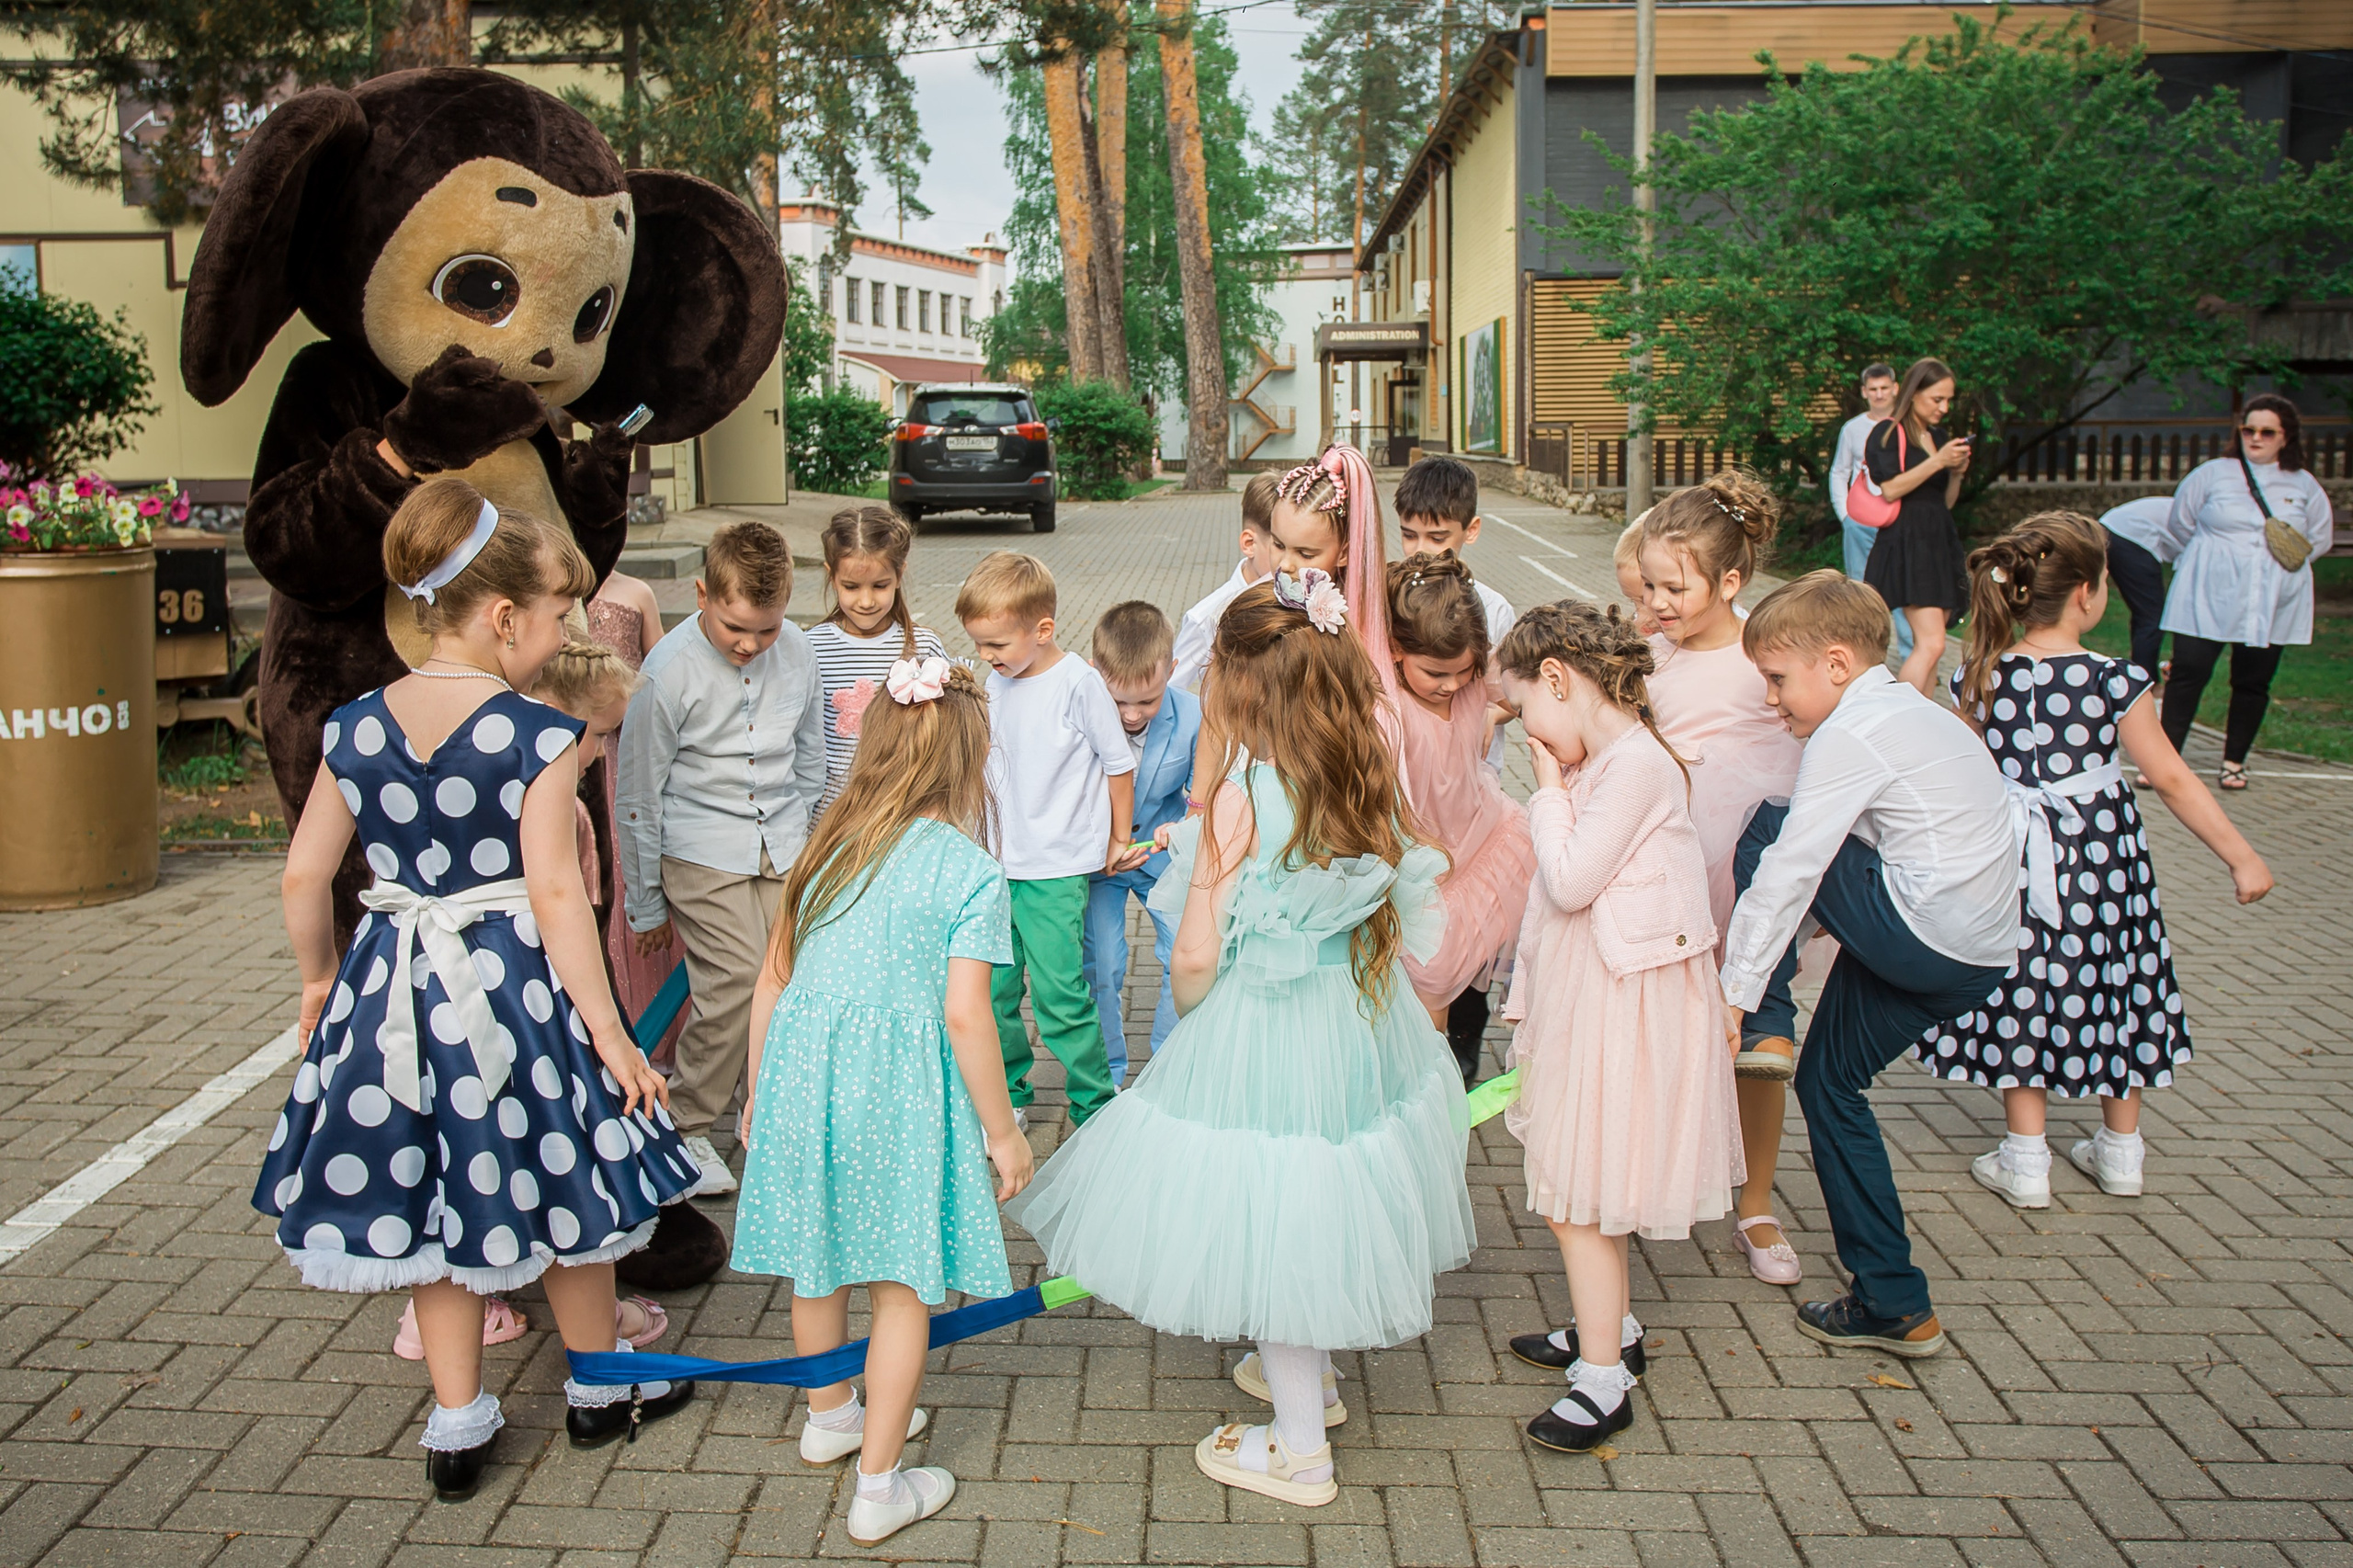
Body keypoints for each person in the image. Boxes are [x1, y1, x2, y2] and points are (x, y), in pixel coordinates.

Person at [255, 477, 700, 1504]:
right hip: (508, 989)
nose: (567, 630)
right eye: (557, 613)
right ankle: (600, 1384)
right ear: (503, 615)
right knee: (563, 1180)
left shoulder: (356, 725)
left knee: (427, 1200)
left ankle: (457, 1418)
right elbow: (553, 890)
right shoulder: (535, 734)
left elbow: (303, 872)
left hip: (392, 986)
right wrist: (611, 1033)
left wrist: (321, 976)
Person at [1006, 574, 1472, 1508]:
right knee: (1319, 1192)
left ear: (1240, 688)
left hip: (1261, 1028)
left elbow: (1191, 957)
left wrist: (1194, 989)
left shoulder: (1242, 792)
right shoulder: (1359, 770)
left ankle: (1299, 1450)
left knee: (1274, 1217)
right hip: (1353, 1019)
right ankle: (1315, 1379)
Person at [731, 656, 1033, 1549]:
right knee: (901, 1287)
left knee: (817, 1257)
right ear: (968, 763)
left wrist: (758, 1094)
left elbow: (771, 978)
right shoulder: (971, 870)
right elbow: (965, 1013)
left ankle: (830, 1413)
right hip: (897, 1093)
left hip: (805, 1077)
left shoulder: (829, 836)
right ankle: (878, 1482)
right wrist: (1003, 1130)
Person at [1929, 513, 2272, 1205]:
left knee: (2021, 980)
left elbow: (1958, 771)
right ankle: (2122, 1153)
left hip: (2014, 851)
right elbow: (2172, 777)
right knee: (2119, 974)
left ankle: (2026, 1160)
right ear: (2087, 592)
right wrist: (2242, 858)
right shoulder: (2116, 680)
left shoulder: (1981, 671)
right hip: (2103, 857)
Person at [1723, 572, 2018, 1358]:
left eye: (1779, 680)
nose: (1772, 699)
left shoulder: (1850, 733)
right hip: (1977, 954)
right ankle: (1894, 1302)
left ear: (1837, 663)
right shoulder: (1920, 717)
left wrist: (1733, 996)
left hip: (1920, 936)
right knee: (1830, 1087)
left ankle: (1763, 1023)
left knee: (1768, 832)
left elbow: (1792, 867)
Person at [1495, 599, 1743, 1452]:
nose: (1527, 729)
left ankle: (1604, 1382)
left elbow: (1567, 880)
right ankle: (1613, 1329)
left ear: (1558, 681)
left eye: (1526, 706)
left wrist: (1548, 793)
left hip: (1623, 1004)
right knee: (1586, 1179)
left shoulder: (1631, 767)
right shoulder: (1615, 761)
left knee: (1581, 1195)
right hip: (1596, 994)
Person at [1631, 471, 1812, 1286]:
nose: (1659, 599)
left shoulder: (1763, 659)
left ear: (1731, 582)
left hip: (1739, 875)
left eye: (1675, 585)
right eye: (1651, 582)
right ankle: (1658, 1176)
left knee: (1751, 1043)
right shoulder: (1651, 653)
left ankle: (1758, 1201)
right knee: (1660, 1030)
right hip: (1662, 871)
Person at [615, 521, 826, 1198]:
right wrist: (644, 901)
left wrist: (813, 843)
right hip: (701, 846)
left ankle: (767, 1115)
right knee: (736, 977)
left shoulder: (796, 651)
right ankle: (686, 1126)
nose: (751, 644)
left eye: (767, 629)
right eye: (736, 626)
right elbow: (639, 793)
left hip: (783, 843)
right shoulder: (667, 672)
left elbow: (811, 752)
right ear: (703, 594)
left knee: (790, 980)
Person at [958, 551, 1135, 1130]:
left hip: (1054, 868)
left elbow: (1117, 763)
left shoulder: (1079, 683)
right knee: (993, 991)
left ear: (1042, 630)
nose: (987, 657)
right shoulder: (997, 680)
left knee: (1059, 996)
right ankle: (1008, 1091)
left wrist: (1118, 837)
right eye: (980, 645)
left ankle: (1093, 1103)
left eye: (997, 645)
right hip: (995, 866)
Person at [1385, 554, 1535, 1083]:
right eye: (1436, 673)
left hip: (1481, 840)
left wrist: (1492, 709)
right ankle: (1414, 1100)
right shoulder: (1386, 709)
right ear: (1397, 651)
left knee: (1438, 992)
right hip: (1420, 867)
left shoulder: (1475, 683)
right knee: (1419, 986)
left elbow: (1521, 695)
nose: (1452, 685)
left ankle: (1431, 1097)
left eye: (1464, 671)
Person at [2159, 393, 2336, 790]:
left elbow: (2319, 538)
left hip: (2270, 599)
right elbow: (2180, 522)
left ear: (2285, 437)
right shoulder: (2213, 474)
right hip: (2207, 592)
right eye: (2248, 430)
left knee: (2253, 680)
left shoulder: (2303, 484)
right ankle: (2165, 762)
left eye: (2266, 432)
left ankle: (2234, 761)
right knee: (2189, 672)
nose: (2255, 438)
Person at [1083, 601, 1202, 1087]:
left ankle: (1167, 1069)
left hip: (1162, 860)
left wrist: (1186, 825)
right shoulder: (1079, 712)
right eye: (1119, 703)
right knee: (1103, 964)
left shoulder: (1195, 714)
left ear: (1172, 671)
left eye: (1147, 702)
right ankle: (1108, 1073)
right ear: (1095, 675)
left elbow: (1203, 788)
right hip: (1101, 864)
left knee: (1186, 956)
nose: (1132, 715)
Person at [584, 571, 688, 1073]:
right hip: (582, 748)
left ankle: (671, 1028)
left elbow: (661, 667)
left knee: (644, 866)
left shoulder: (636, 593)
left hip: (633, 745)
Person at [807, 506, 952, 815]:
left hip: (901, 818)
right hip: (830, 822)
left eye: (879, 585)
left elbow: (949, 732)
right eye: (851, 586)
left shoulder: (923, 647)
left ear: (899, 575)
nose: (866, 601)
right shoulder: (811, 647)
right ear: (831, 577)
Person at [1863, 358, 1973, 695]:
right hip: (1909, 543)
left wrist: (1955, 472)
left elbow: (1946, 501)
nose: (1944, 407)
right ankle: (1901, 714)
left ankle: (1920, 718)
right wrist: (1938, 461)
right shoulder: (1888, 432)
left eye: (1948, 400)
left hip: (1938, 539)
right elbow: (1891, 488)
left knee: (1933, 649)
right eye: (1936, 399)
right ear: (1914, 393)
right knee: (1932, 644)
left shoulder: (1938, 436)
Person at [1826, 362, 1913, 661]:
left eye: (1884, 388)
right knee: (1861, 590)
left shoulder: (1907, 426)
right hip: (1861, 520)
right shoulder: (1852, 429)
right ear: (1864, 392)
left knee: (1904, 587)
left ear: (1895, 388)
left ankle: (1911, 656)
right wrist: (1845, 515)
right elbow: (1839, 471)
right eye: (1872, 390)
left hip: (1899, 520)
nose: (1879, 394)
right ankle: (1864, 658)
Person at [1172, 472, 1279, 693]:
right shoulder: (1206, 618)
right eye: (1280, 546)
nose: (1291, 563)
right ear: (1249, 543)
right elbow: (1169, 692)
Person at [2097, 495, 2191, 679]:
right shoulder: (2218, 532)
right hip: (2130, 534)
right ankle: (2145, 684)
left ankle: (2142, 678)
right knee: (2151, 617)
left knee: (2148, 616)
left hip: (2117, 526)